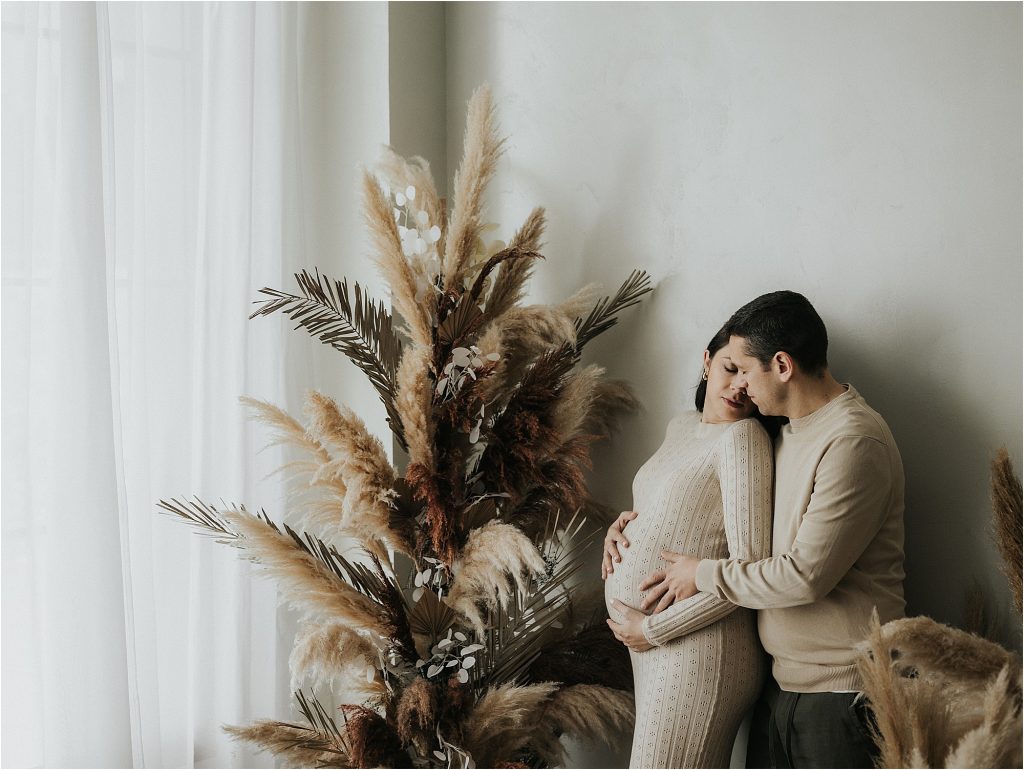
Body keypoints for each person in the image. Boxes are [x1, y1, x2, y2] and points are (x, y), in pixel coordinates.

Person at [635, 290, 905, 768]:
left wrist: (701, 574)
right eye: (729, 369)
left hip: (839, 695)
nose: (740, 386)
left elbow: (804, 576)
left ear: (782, 365)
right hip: (780, 687)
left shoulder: (853, 441)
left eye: (744, 368)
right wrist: (634, 525)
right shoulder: (786, 431)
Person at [602, 323, 778, 768]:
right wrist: (621, 529)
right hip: (656, 647)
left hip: (699, 644)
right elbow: (674, 508)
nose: (738, 386)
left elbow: (749, 567)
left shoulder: (744, 438)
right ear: (706, 360)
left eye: (748, 376)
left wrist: (652, 630)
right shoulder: (681, 426)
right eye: (729, 367)